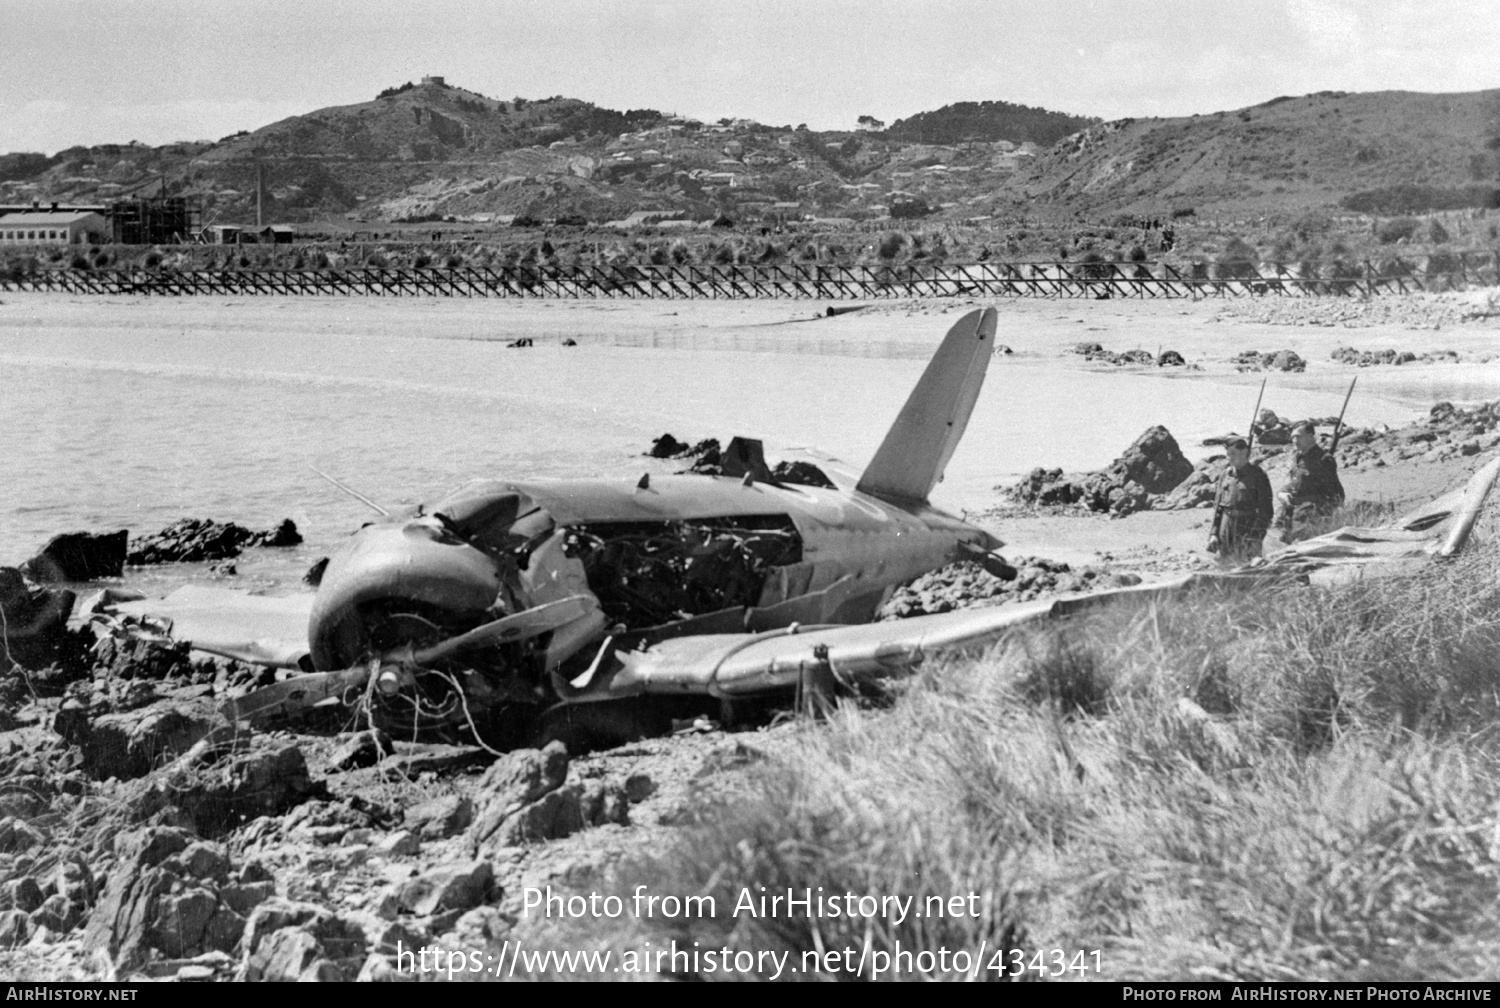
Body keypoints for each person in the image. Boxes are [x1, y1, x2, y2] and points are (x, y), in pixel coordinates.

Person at [1277, 422, 1345, 541]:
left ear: (1310, 436)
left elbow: (1334, 496)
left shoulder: (1324, 460)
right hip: (1291, 513)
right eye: (1292, 437)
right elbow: (1295, 483)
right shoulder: (1299, 457)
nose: (1294, 440)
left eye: (1298, 436)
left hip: (1310, 518)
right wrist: (1282, 493)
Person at [1209, 437, 1274, 562]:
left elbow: (1266, 511)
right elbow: (1218, 508)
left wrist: (1256, 538)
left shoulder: (1258, 475)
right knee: (1222, 565)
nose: (1229, 458)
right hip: (1225, 528)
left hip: (1247, 528)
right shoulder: (1225, 475)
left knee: (1248, 568)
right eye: (1227, 454)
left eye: (1232, 454)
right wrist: (1214, 534)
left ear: (1244, 453)